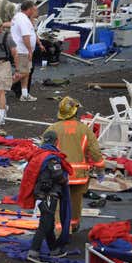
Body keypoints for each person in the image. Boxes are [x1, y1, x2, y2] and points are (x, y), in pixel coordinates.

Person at [43, 96, 104, 232]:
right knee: (75, 202)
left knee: (57, 202)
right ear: (75, 112)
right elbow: (95, 152)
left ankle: (59, 231)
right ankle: (74, 225)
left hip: (58, 173)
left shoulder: (52, 129)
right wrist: (100, 169)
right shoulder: (84, 129)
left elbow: (44, 152)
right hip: (79, 175)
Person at [23, 131, 73, 263]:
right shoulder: (52, 158)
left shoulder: (37, 155)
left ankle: (54, 249)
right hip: (49, 194)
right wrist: (64, 181)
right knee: (45, 223)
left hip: (39, 193)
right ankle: (34, 252)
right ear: (56, 141)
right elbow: (57, 175)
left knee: (49, 222)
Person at [10, 0, 42, 102]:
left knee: (26, 73)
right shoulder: (23, 19)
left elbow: (30, 33)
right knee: (23, 73)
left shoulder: (19, 17)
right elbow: (25, 36)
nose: (35, 11)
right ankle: (3, 87)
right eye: (34, 9)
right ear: (29, 9)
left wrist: (38, 44)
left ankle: (24, 94)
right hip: (22, 50)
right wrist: (30, 50)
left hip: (21, 49)